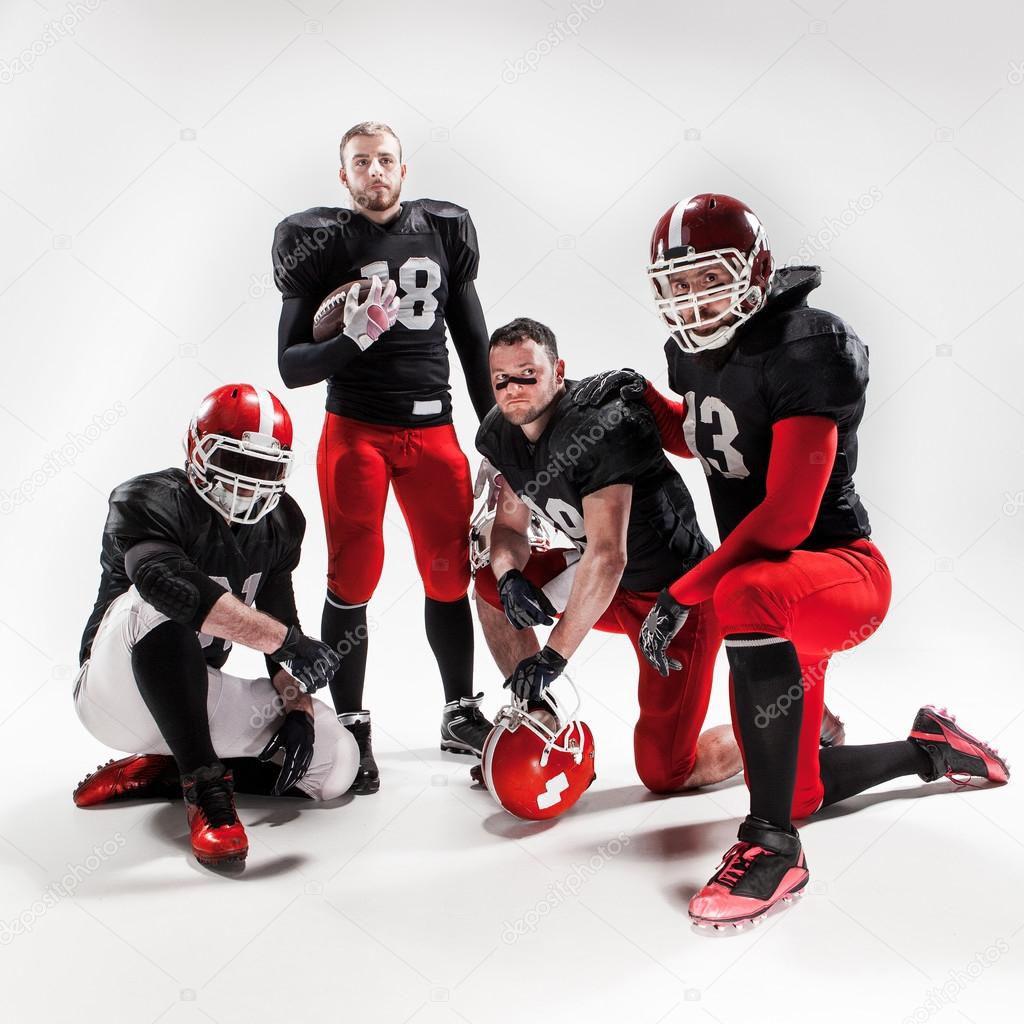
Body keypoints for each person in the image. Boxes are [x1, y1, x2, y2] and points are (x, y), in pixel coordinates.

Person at [579, 193, 1010, 928]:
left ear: (755, 270)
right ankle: (930, 750)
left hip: (841, 574)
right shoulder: (692, 351)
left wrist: (686, 591)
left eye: (708, 278)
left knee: (743, 591)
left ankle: (773, 848)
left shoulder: (809, 343)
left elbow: (788, 518)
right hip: (774, 595)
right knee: (799, 786)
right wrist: (647, 402)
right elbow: (713, 437)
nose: (692, 300)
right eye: (676, 286)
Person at [272, 121, 495, 794]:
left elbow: (473, 344)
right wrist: (352, 342)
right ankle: (353, 721)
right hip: (356, 434)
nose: (375, 171)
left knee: (449, 574)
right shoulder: (319, 241)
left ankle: (460, 711)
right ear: (343, 176)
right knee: (353, 576)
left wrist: (500, 440)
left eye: (386, 160)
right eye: (361, 162)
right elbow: (291, 366)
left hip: (433, 431)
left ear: (405, 169)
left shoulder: (443, 231)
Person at [73, 384, 358, 868]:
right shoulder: (148, 498)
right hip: (115, 690)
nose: (250, 484)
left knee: (336, 764)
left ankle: (164, 771)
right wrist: (288, 642)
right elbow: (165, 585)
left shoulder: (282, 522)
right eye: (238, 464)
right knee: (160, 598)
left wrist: (298, 711)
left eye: (265, 469)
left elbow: (280, 623)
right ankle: (205, 789)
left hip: (191, 692)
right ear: (196, 449)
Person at [472, 317, 741, 795]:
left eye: (527, 375)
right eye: (501, 379)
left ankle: (781, 728)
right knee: (490, 585)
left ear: (558, 372)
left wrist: (554, 654)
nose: (513, 389)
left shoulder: (599, 426)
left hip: (672, 601)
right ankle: (540, 720)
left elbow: (609, 554)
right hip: (602, 585)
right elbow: (510, 526)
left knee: (666, 773)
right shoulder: (501, 430)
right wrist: (511, 573)